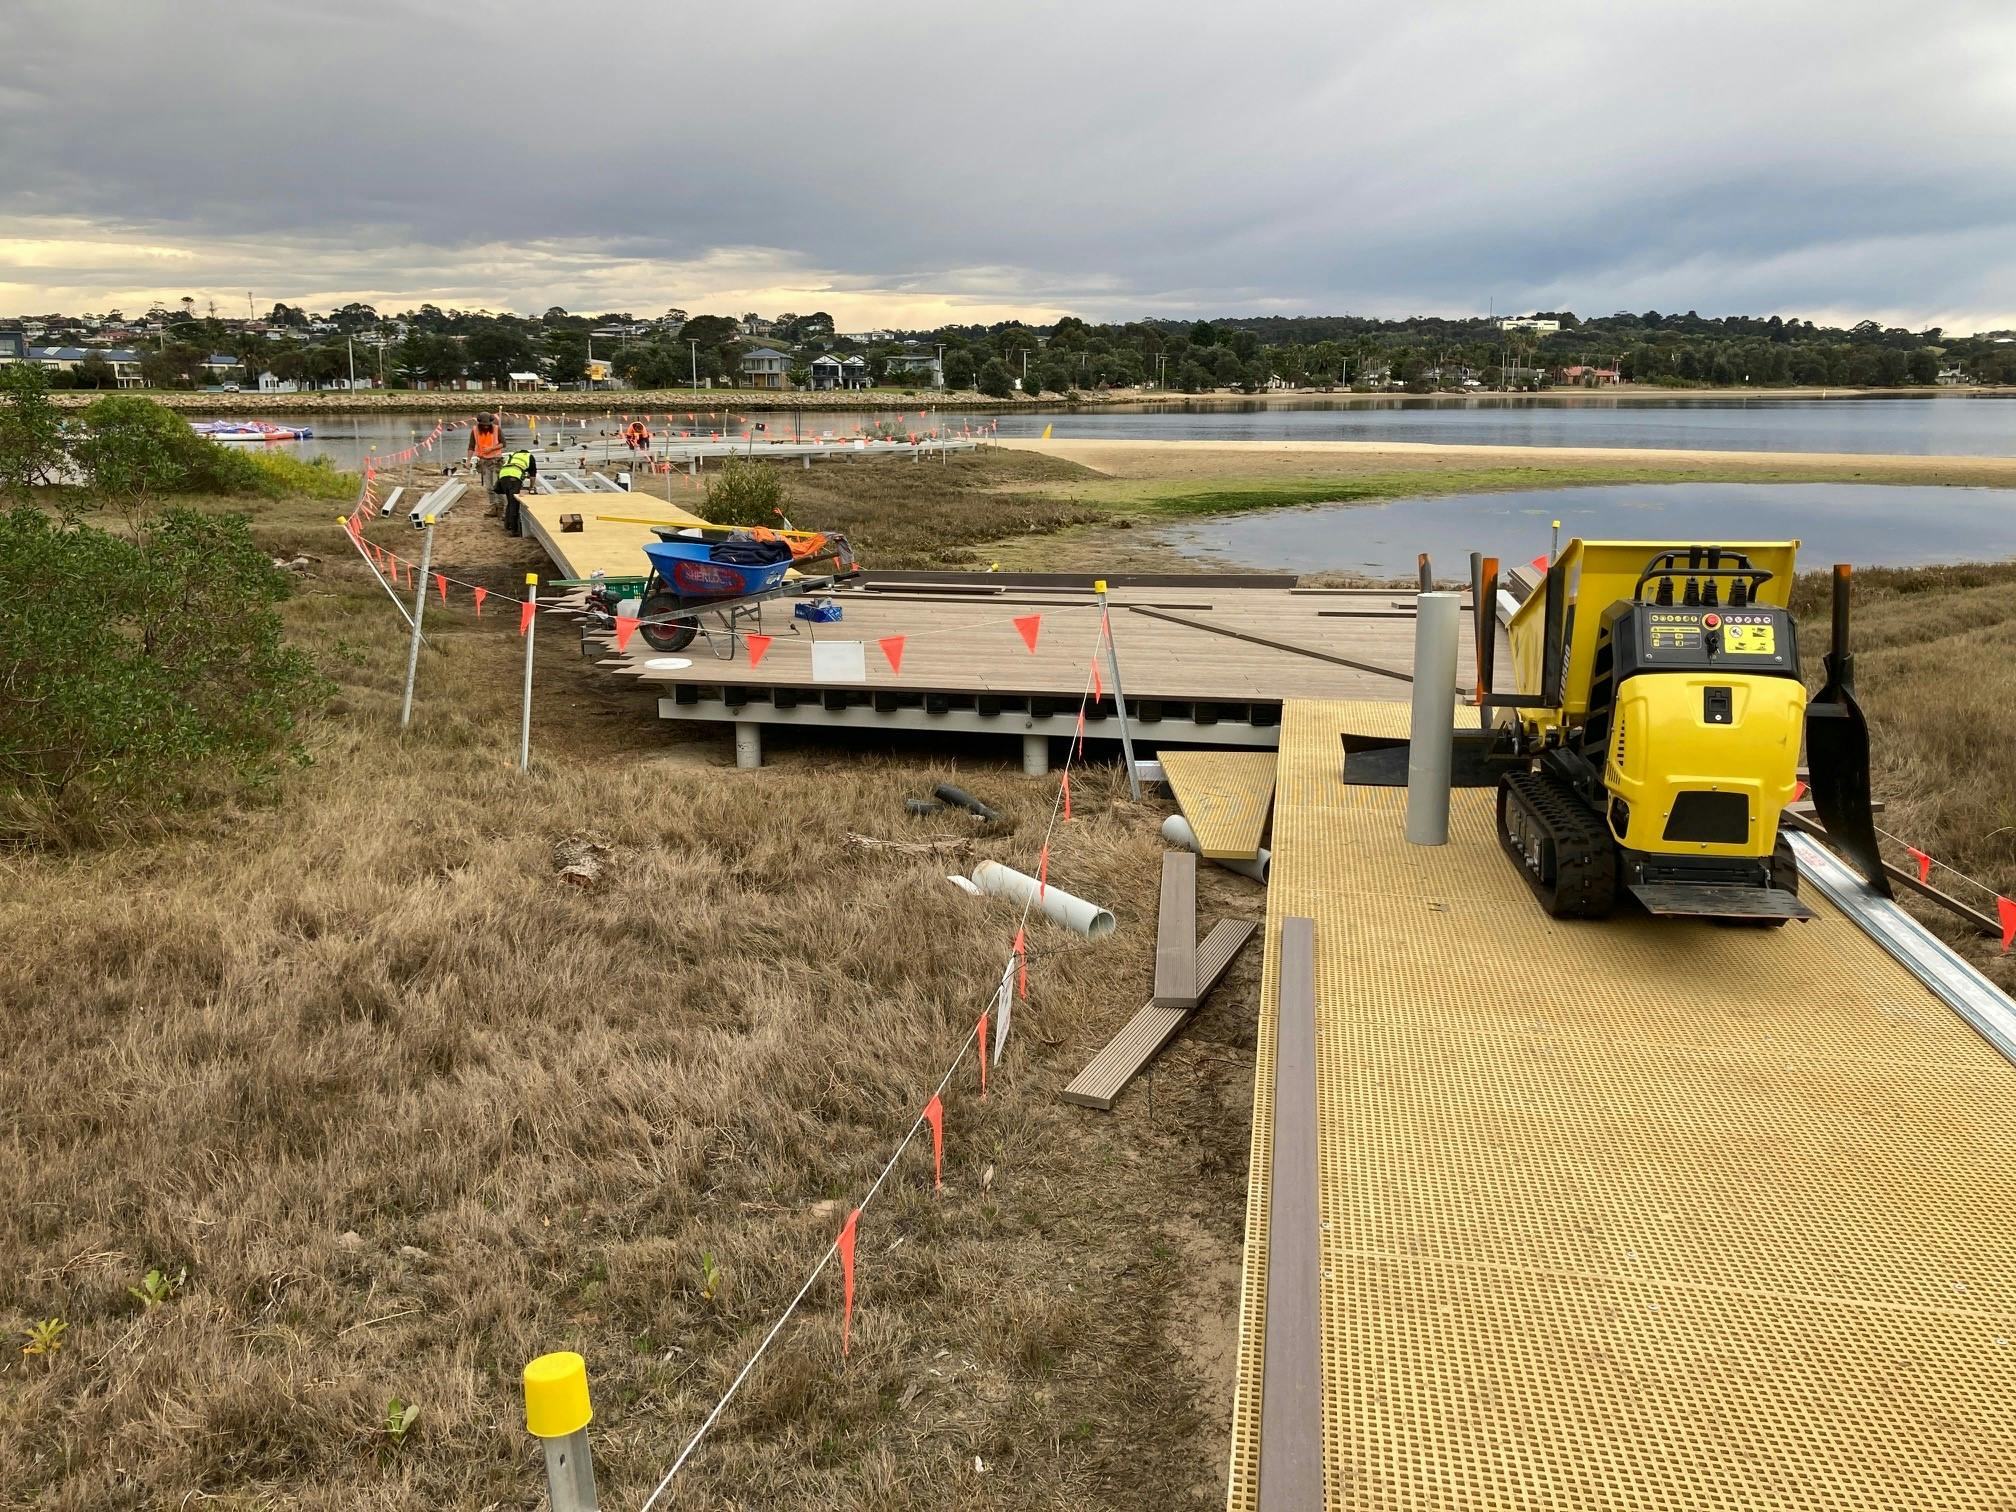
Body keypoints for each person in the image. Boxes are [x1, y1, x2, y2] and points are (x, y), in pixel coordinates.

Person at [494, 447, 538, 536]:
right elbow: (533, 476)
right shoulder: (530, 457)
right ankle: (514, 530)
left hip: (502, 477)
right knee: (514, 503)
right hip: (513, 478)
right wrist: (531, 487)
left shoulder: (515, 455)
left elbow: (515, 468)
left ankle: (507, 525)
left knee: (510, 501)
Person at [468, 412, 506, 510]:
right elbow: (471, 446)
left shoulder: (497, 429)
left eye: (487, 425)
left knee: (497, 485)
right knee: (489, 486)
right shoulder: (475, 430)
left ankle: (501, 506)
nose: (485, 427)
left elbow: (503, 443)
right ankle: (493, 506)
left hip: (496, 460)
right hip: (484, 461)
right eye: (483, 425)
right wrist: (468, 460)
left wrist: (491, 448)